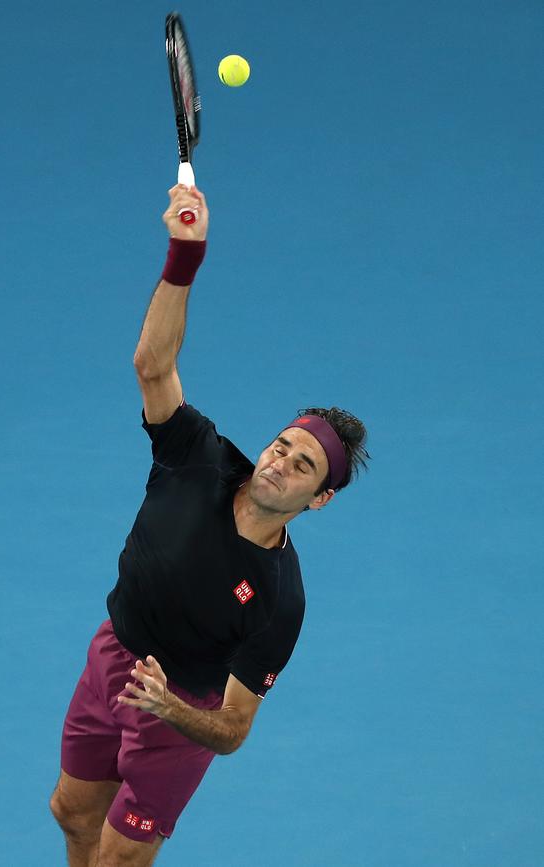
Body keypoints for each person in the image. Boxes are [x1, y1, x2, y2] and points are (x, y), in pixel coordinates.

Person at [50, 184, 369, 867]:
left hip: (177, 713)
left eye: (305, 464)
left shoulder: (281, 600)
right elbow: (152, 364)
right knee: (73, 813)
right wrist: (184, 255)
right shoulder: (197, 456)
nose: (283, 460)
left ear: (318, 499)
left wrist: (169, 708)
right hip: (113, 654)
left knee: (117, 860)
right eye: (284, 444)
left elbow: (231, 729)